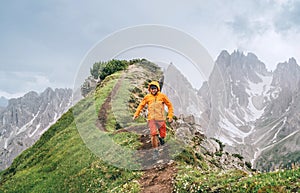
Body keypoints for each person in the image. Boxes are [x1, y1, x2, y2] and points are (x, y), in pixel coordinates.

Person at [133, 80, 174, 151]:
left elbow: (170, 105)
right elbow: (141, 105)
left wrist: (170, 116)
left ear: (157, 88)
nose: (153, 90)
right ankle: (155, 150)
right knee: (153, 134)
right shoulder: (147, 97)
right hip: (151, 119)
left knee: (162, 134)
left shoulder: (162, 96)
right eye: (152, 89)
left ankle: (161, 139)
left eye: (154, 88)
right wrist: (136, 114)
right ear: (150, 89)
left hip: (161, 118)